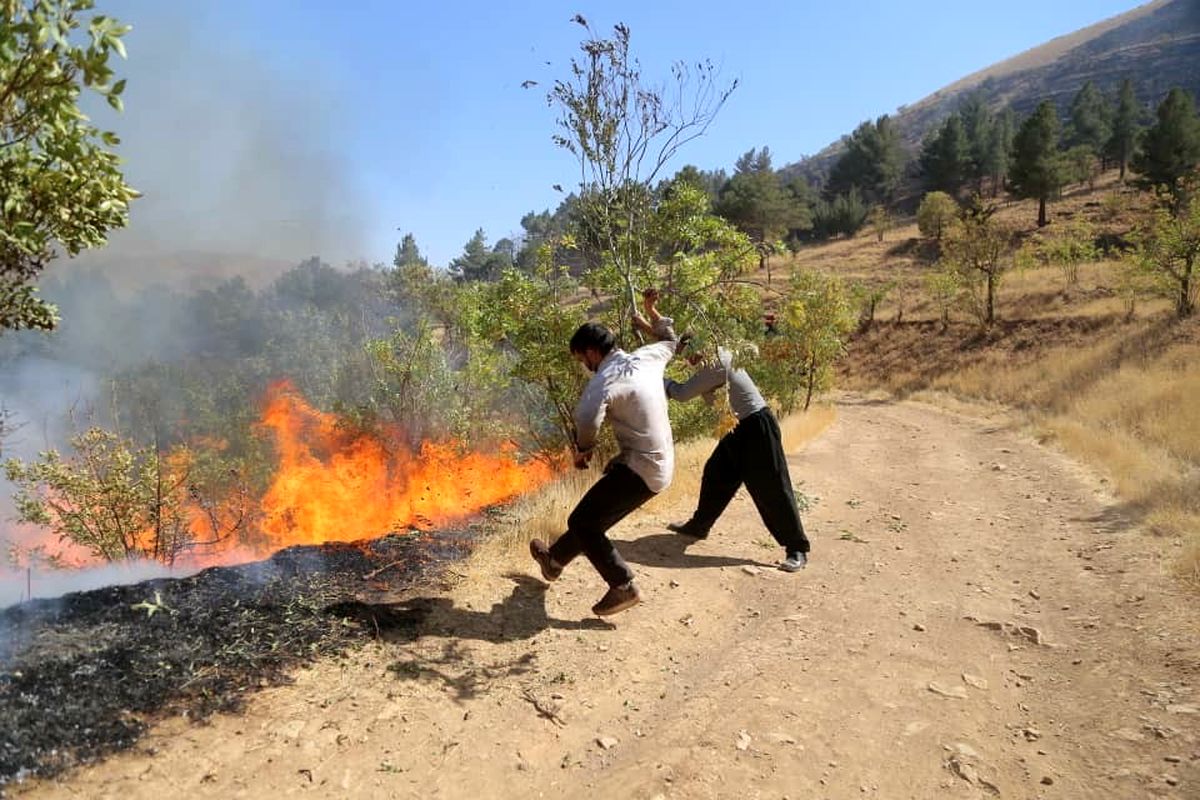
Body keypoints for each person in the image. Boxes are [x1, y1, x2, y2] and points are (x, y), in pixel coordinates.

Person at [528, 297, 677, 616]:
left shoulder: (604, 380)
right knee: (594, 520)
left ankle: (623, 586)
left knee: (582, 520)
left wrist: (584, 449)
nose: (583, 365)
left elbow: (586, 418)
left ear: (591, 352)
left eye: (581, 358)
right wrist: (654, 316)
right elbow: (670, 340)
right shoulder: (647, 357)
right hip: (659, 463)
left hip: (643, 467)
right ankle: (553, 561)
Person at [661, 325, 811, 573]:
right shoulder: (713, 359)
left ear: (701, 348)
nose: (688, 359)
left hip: (756, 427)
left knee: (772, 487)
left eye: (690, 353)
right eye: (686, 354)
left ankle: (797, 549)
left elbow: (682, 393)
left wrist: (657, 378)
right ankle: (699, 525)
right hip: (737, 428)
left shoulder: (717, 363)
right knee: (716, 474)